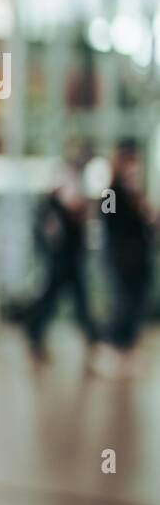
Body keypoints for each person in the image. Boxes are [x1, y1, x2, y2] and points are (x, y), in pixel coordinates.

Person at [25, 166, 94, 358]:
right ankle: (34, 330)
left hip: (69, 262)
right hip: (61, 263)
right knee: (54, 301)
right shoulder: (52, 207)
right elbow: (51, 235)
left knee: (76, 303)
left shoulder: (71, 207)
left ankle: (93, 341)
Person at [99, 143, 154, 373]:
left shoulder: (135, 193)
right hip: (121, 256)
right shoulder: (111, 191)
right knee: (123, 302)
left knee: (136, 301)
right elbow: (109, 219)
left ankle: (128, 347)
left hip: (138, 258)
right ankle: (114, 346)